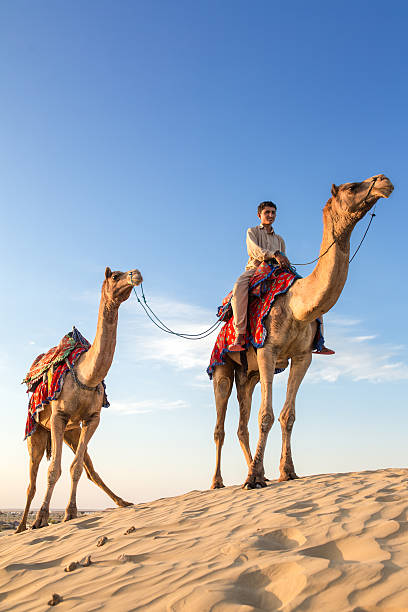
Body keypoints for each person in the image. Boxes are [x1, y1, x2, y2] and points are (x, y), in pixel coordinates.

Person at [229, 200, 335, 355]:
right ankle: (240, 334)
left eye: (273, 212)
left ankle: (319, 340)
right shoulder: (252, 231)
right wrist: (275, 254)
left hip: (277, 270)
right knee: (238, 289)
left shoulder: (279, 239)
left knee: (312, 291)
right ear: (260, 215)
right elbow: (255, 251)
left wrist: (283, 260)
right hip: (257, 268)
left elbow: (282, 256)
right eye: (267, 212)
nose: (270, 215)